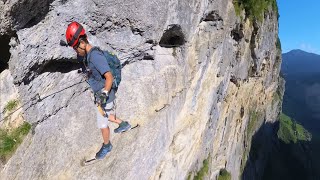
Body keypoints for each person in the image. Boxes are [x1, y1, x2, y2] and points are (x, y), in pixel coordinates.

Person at [65, 21, 131, 159]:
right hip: (103, 93)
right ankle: (123, 124)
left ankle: (107, 145)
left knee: (102, 123)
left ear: (82, 43)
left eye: (75, 48)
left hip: (104, 94)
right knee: (105, 114)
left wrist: (103, 95)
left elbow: (109, 77)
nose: (75, 51)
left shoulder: (95, 56)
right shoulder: (88, 55)